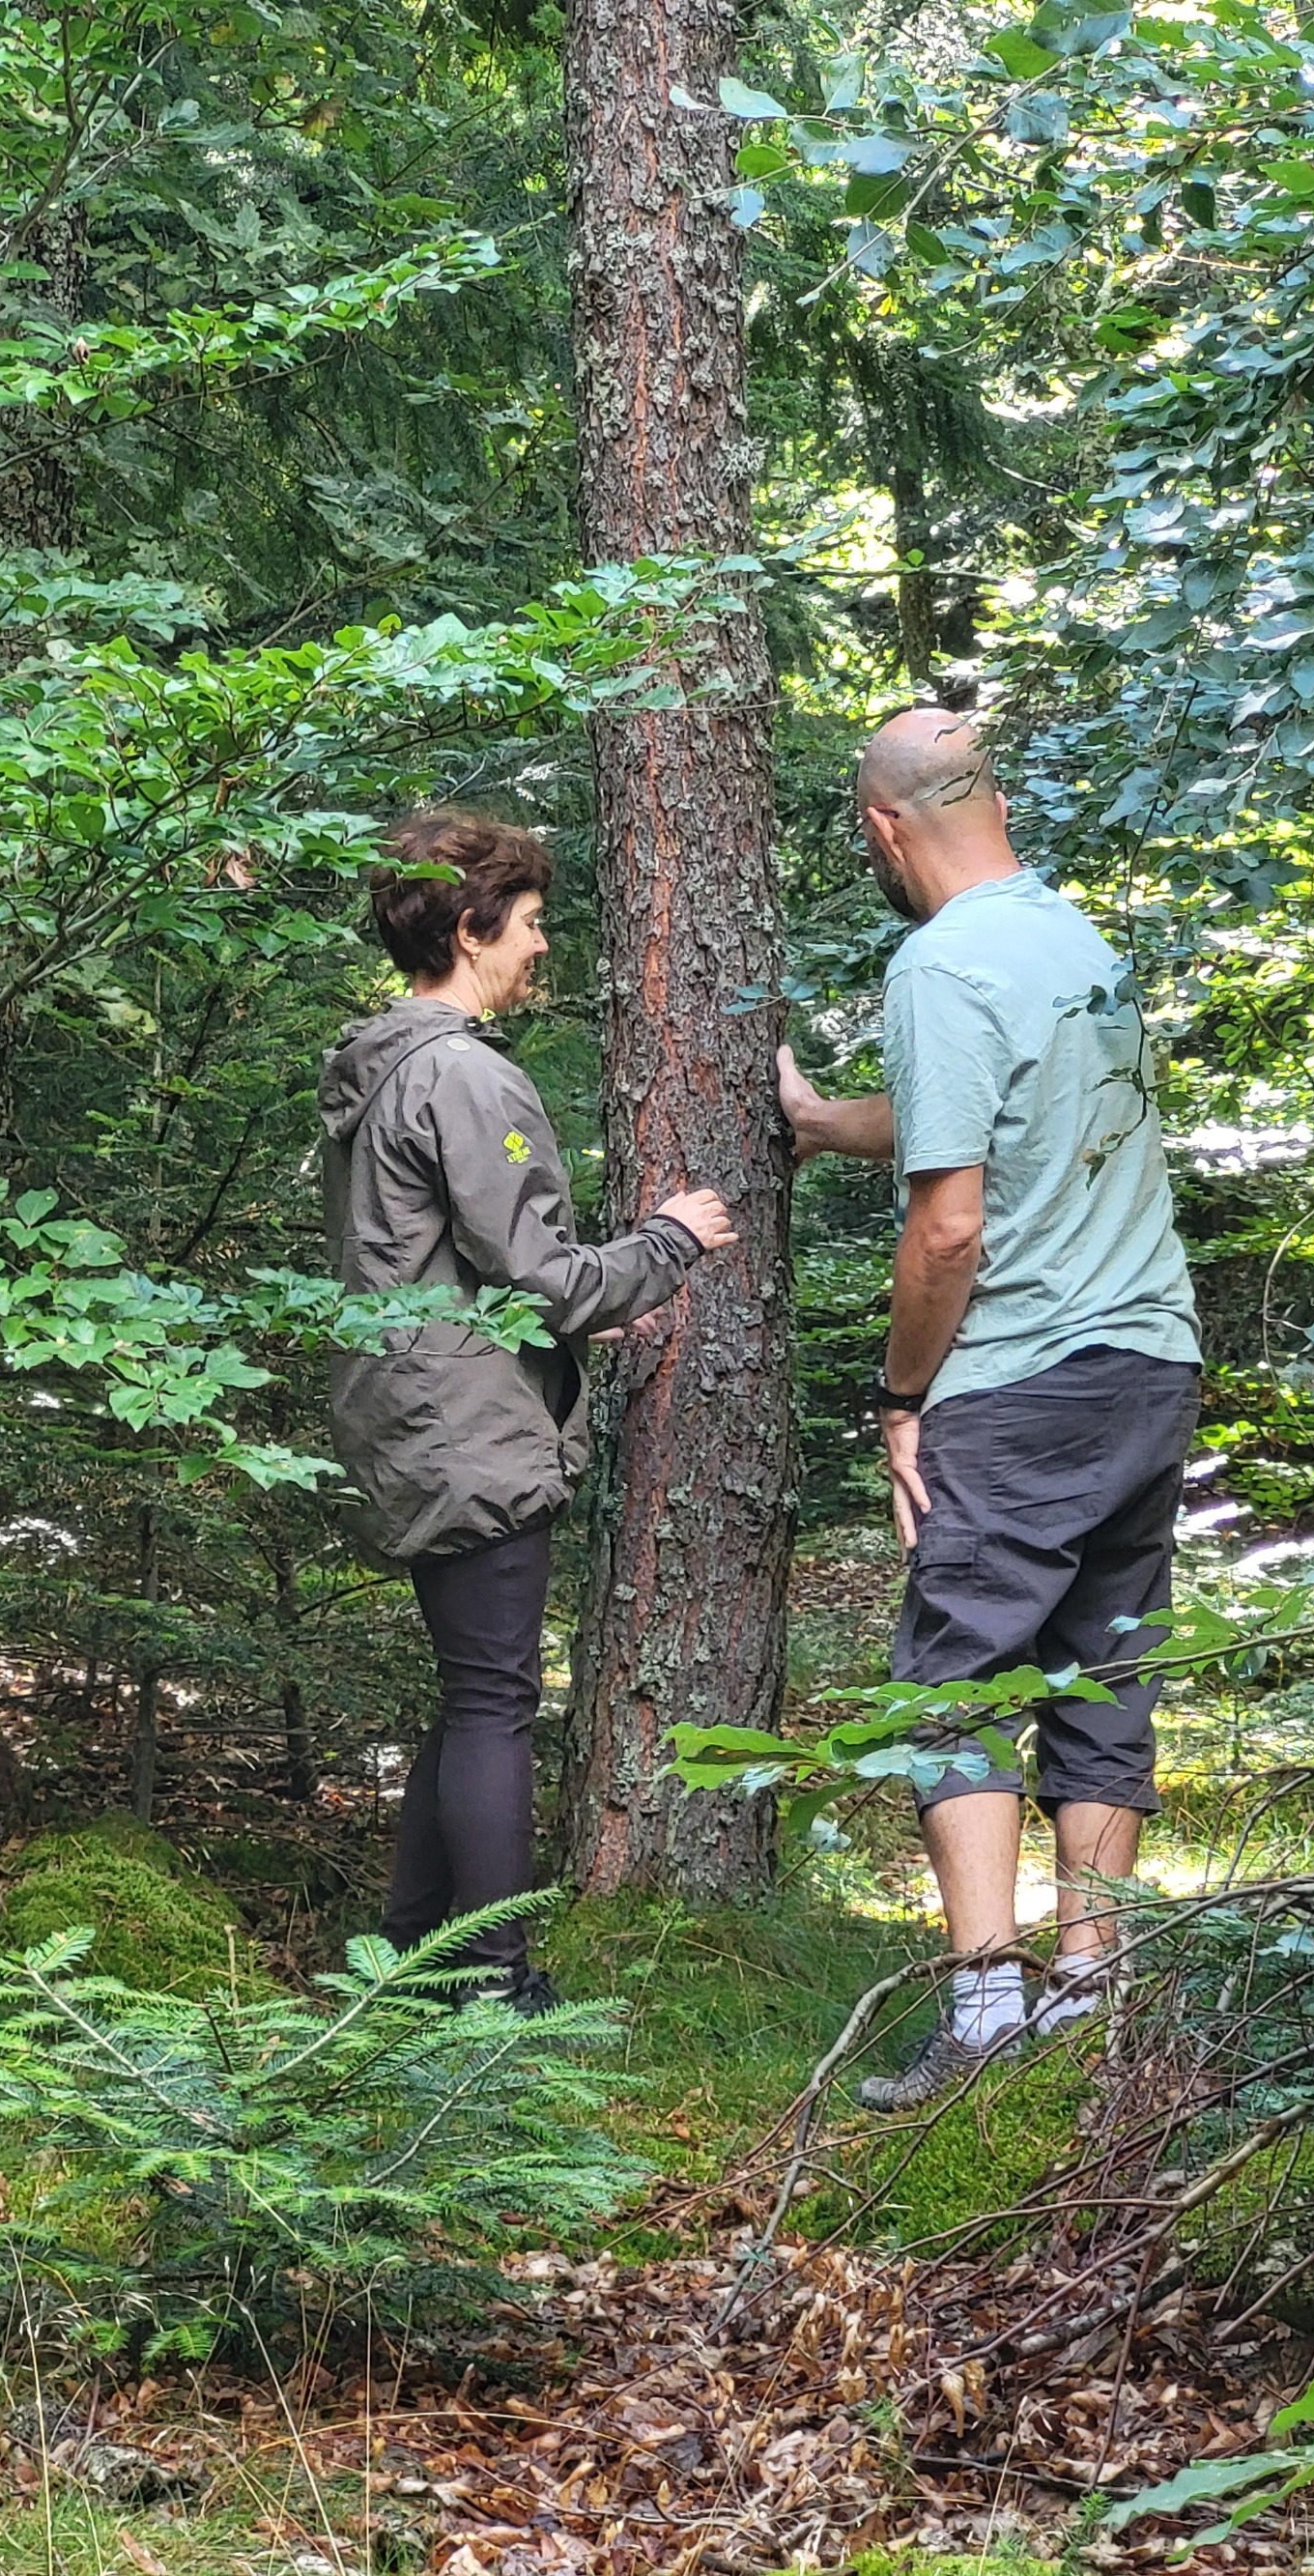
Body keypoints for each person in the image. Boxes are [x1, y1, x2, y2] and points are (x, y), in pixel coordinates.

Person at [778, 711, 1202, 2108]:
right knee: (1100, 1671)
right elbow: (997, 1111)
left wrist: (902, 1396)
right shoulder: (1076, 943)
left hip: (1020, 1382)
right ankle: (1092, 1996)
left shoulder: (941, 960)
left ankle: (981, 2009)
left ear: (883, 827)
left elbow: (949, 1228)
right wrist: (833, 1119)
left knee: (951, 1685)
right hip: (1152, 1364)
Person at [322, 808, 735, 2013]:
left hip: (414, 1404)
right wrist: (668, 1240)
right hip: (464, 1424)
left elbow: (440, 1259)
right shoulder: (458, 1069)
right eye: (533, 922)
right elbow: (538, 1269)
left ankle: (408, 1963)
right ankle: (492, 1981)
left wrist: (559, 1312)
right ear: (469, 925)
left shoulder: (382, 1062)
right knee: (497, 1697)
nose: (543, 946)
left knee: (471, 1690)